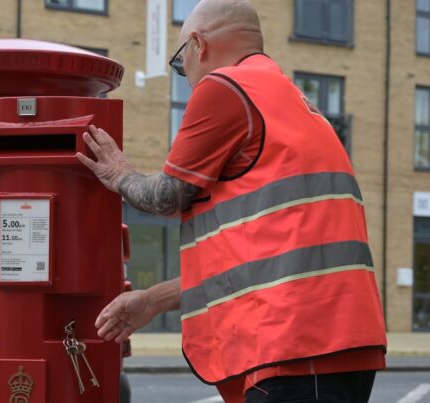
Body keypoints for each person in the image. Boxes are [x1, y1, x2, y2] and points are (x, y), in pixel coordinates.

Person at [76, 0, 388, 402]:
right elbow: (258, 265)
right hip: (345, 342)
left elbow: (166, 196)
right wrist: (151, 302)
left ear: (198, 44)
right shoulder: (296, 103)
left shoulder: (226, 87)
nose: (187, 78)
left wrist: (119, 174)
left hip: (292, 342)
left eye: (180, 64)